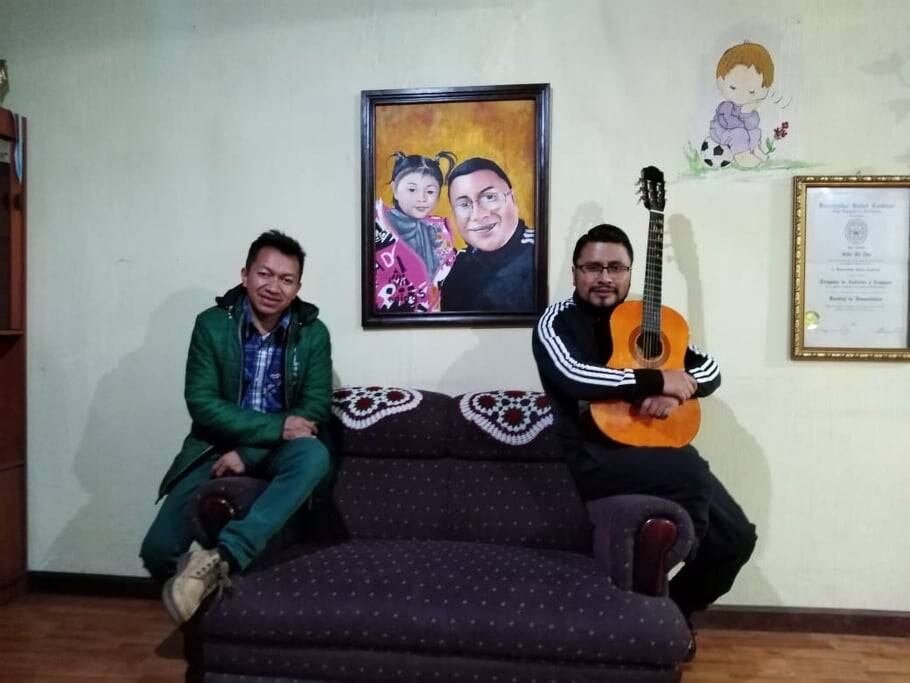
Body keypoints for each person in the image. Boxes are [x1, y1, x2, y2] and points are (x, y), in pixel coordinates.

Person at [532, 223, 756, 659]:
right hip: (595, 455)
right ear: (575, 272)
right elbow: (575, 376)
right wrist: (655, 380)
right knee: (691, 469)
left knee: (738, 538)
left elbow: (709, 368)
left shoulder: (646, 322)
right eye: (593, 267)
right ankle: (648, 607)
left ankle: (676, 610)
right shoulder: (556, 320)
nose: (604, 277)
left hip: (656, 448)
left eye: (615, 267)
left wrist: (676, 390)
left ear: (630, 273)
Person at [140, 230, 332, 625]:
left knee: (314, 454)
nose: (274, 287)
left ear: (298, 288)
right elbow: (203, 404)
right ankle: (204, 600)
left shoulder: (313, 333)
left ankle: (225, 556)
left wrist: (248, 452)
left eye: (286, 279)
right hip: (213, 445)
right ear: (245, 275)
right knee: (157, 551)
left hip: (279, 450)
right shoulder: (211, 325)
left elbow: (313, 409)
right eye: (265, 274)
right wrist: (275, 428)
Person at [440, 157, 536, 312]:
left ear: (512, 199)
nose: (478, 215)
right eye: (464, 204)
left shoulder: (539, 253)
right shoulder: (456, 267)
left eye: (489, 197)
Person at [374, 151, 458, 313]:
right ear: (395, 189)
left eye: (430, 191)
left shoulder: (438, 231)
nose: (422, 198)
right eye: (412, 190)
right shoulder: (378, 230)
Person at [708, 41, 775, 169]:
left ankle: (754, 149)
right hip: (721, 132)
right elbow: (729, 124)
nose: (741, 95)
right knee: (739, 133)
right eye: (733, 87)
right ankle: (742, 156)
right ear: (721, 81)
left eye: (751, 91)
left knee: (754, 131)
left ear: (764, 90)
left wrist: (748, 113)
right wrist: (744, 115)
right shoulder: (726, 107)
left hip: (739, 132)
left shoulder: (750, 109)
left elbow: (752, 125)